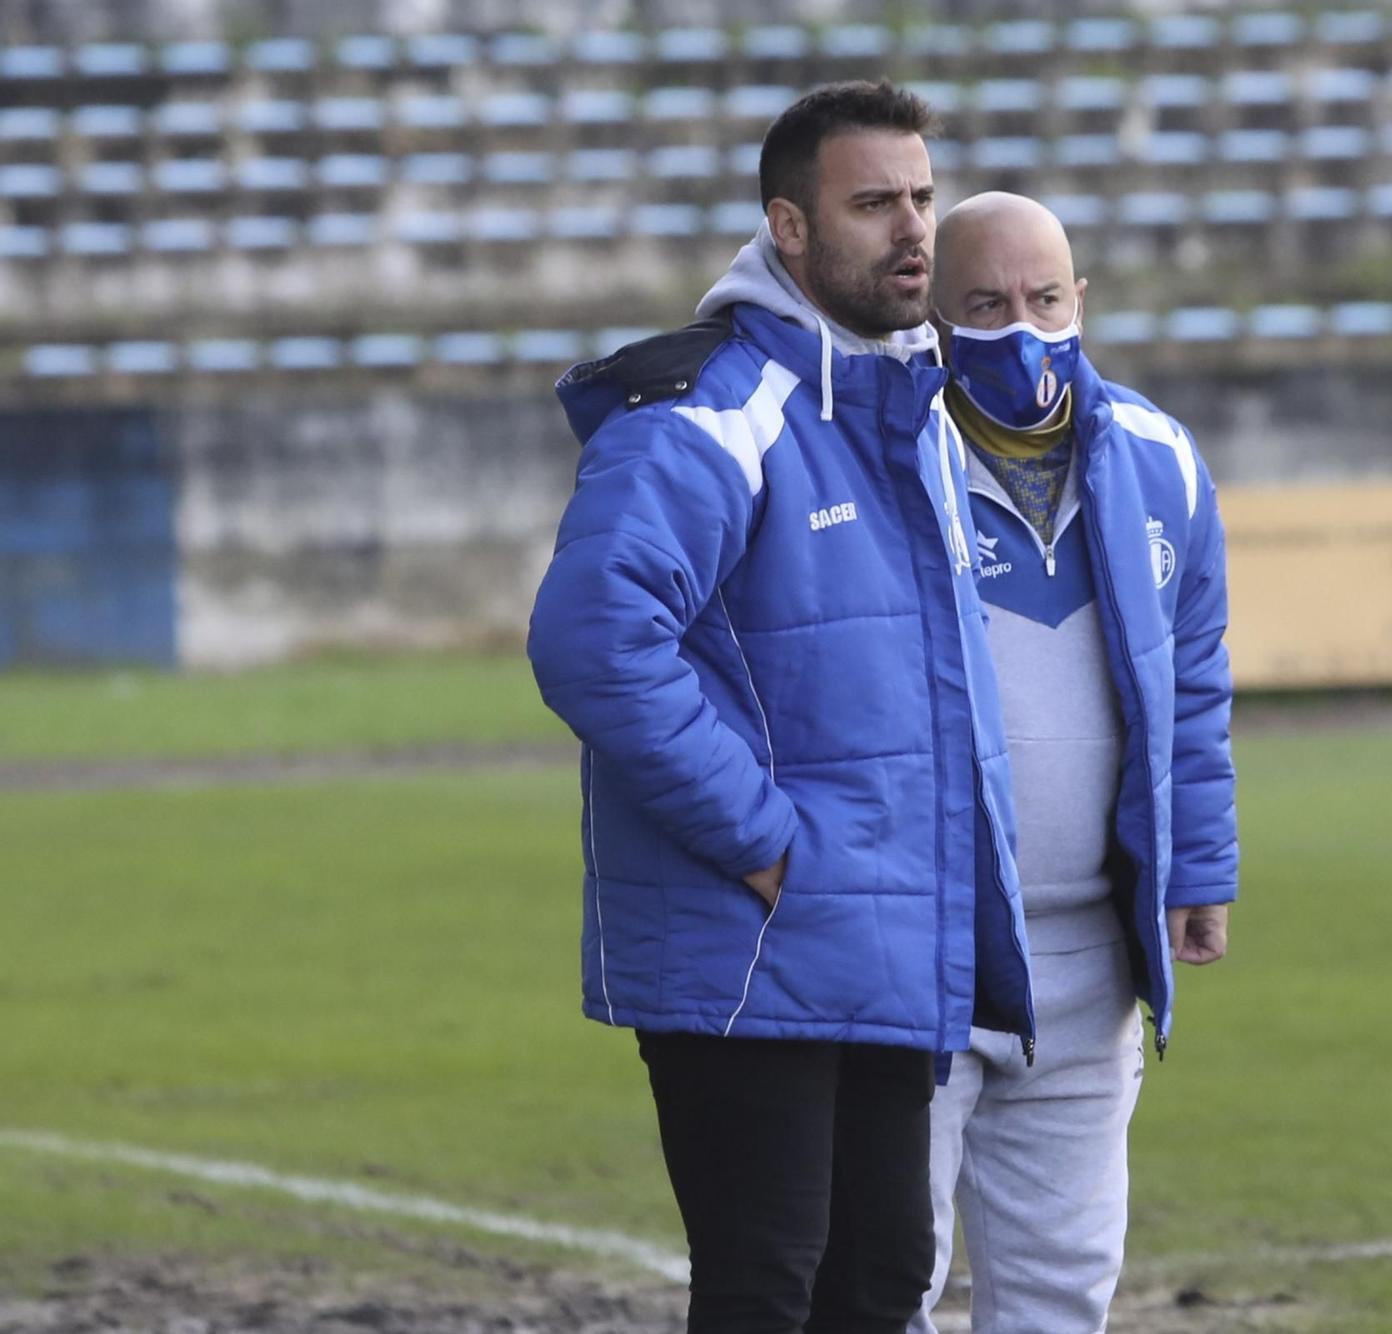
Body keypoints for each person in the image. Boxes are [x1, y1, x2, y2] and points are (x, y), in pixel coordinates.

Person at [526, 83, 1033, 1334]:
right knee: (766, 1289)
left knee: (872, 1288)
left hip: (876, 937)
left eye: (920, 197)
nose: (913, 228)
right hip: (753, 946)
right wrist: (759, 840)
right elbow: (593, 638)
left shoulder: (906, 407)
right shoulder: (712, 413)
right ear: (788, 230)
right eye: (872, 204)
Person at [912, 192, 1240, 1334]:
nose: (1024, 328)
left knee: (1061, 1287)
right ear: (936, 319)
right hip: (919, 952)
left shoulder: (1158, 458)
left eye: (1045, 298)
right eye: (986, 306)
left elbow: (1190, 687)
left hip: (1091, 958)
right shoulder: (881, 457)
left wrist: (1195, 866)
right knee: (880, 1280)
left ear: (1080, 298)